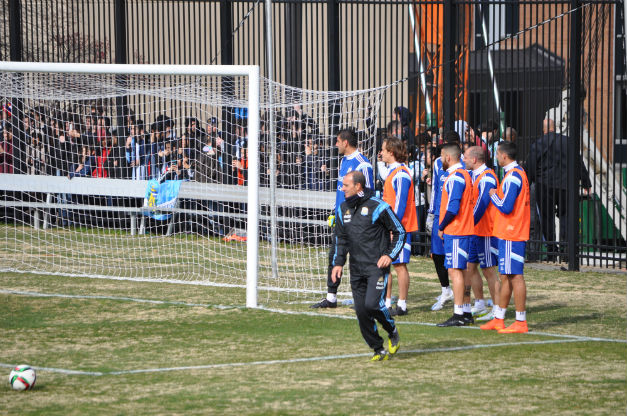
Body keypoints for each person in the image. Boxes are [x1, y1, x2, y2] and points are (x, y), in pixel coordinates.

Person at [331, 170, 404, 361]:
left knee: (372, 305)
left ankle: (392, 330)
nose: (343, 188)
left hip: (376, 267)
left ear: (358, 186)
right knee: (362, 311)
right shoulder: (342, 208)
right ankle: (377, 348)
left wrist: (389, 255)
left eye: (346, 185)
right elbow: (341, 238)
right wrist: (338, 263)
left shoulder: (378, 206)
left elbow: (399, 232)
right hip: (356, 269)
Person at [311, 128, 374, 309]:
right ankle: (331, 297)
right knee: (336, 255)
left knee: (360, 258)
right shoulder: (343, 161)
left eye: (337, 141)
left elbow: (368, 192)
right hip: (341, 218)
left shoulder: (363, 164)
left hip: (357, 220)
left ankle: (364, 298)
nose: (336, 144)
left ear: (345, 142)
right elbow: (341, 191)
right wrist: (334, 211)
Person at [481, 141, 531, 333]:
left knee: (515, 276)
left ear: (503, 155)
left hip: (512, 232)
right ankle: (499, 318)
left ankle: (520, 321)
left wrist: (493, 194)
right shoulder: (515, 174)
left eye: (496, 154)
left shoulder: (513, 177)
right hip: (508, 232)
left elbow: (506, 206)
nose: (495, 157)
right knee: (506, 276)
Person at [525, 118, 591, 262]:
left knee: (547, 218)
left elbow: (530, 165)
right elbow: (579, 163)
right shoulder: (569, 142)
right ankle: (566, 249)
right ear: (555, 127)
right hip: (566, 185)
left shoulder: (538, 143)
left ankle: (551, 251)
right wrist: (586, 183)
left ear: (544, 129)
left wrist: (526, 184)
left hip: (545, 184)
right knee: (566, 217)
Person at [436, 143, 475, 327]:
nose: (441, 160)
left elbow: (453, 207)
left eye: (442, 157)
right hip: (461, 229)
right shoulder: (463, 175)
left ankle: (459, 313)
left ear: (448, 157)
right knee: (460, 270)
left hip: (457, 230)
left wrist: (442, 226)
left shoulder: (456, 177)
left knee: (455, 270)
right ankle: (465, 311)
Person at [378, 137, 418, 316]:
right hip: (391, 226)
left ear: (391, 152)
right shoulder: (393, 172)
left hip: (399, 228)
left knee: (400, 265)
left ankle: (401, 304)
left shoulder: (401, 173)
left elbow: (401, 204)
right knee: (386, 264)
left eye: (384, 150)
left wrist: (393, 226)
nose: (382, 153)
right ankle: (385, 303)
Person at [463, 146, 500, 321]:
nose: (464, 160)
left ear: (475, 159)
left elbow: (481, 204)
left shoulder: (487, 177)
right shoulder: (475, 176)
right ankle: (479, 302)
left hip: (485, 230)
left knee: (489, 270)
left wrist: (468, 224)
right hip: (476, 230)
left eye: (466, 157)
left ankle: (498, 309)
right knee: (470, 267)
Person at [428, 131, 462, 311]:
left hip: (456, 217)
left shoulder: (464, 164)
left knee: (461, 263)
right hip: (440, 214)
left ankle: (464, 299)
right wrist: (432, 212)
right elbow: (435, 188)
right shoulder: (437, 164)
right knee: (437, 254)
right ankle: (445, 289)